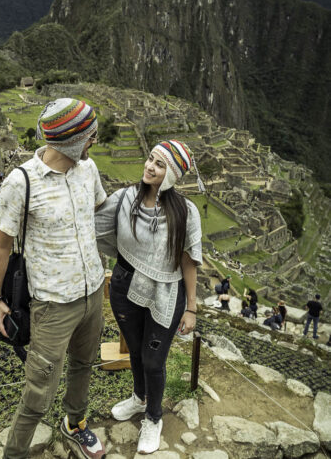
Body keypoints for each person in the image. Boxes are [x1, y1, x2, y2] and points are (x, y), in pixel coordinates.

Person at [0, 98, 107, 459]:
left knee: (84, 365)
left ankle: (75, 424)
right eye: (90, 136)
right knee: (39, 391)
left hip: (92, 293)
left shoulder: (88, 170)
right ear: (72, 141)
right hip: (52, 304)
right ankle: (15, 454)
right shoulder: (21, 183)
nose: (95, 141)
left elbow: (98, 214)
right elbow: (1, 245)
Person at [96, 140, 202, 455]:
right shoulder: (125, 198)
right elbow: (95, 222)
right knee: (137, 354)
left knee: (154, 359)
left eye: (158, 164)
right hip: (125, 286)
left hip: (166, 293)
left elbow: (188, 261)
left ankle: (153, 418)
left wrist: (192, 308)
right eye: (150, 159)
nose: (149, 166)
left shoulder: (186, 212)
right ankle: (139, 398)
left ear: (170, 174)